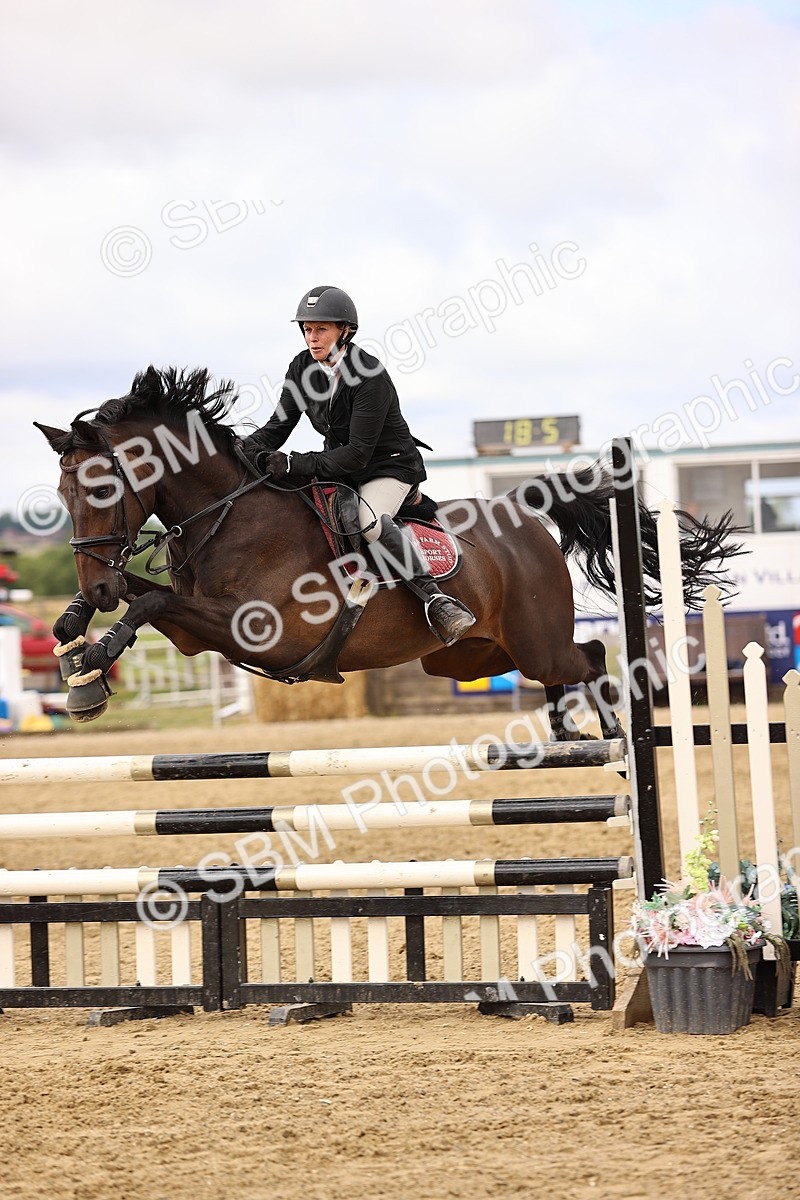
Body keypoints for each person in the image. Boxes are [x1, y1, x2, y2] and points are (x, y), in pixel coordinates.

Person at [240, 284, 476, 645]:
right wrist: (236, 450)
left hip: (388, 468)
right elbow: (276, 429)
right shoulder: (302, 368)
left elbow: (357, 453)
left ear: (344, 331)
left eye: (321, 329)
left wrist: (292, 464)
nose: (312, 338)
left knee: (367, 522)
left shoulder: (368, 375)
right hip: (344, 468)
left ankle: (437, 600)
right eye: (306, 329)